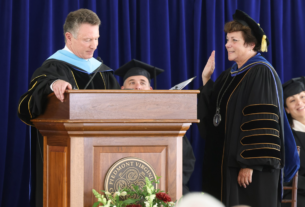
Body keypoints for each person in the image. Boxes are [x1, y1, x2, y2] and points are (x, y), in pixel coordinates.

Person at [17, 9, 120, 206]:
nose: (94, 46)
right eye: (87, 40)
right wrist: (50, 85)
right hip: (65, 161)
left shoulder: (102, 71)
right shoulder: (52, 69)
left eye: (96, 39)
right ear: (69, 37)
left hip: (104, 158)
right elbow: (25, 108)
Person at [197, 10, 299, 206]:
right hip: (227, 165)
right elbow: (215, 115)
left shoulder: (261, 72)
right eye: (227, 39)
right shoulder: (231, 74)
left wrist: (250, 164)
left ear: (251, 44)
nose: (227, 44)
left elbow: (261, 122)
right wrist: (206, 79)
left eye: (234, 40)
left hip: (248, 171)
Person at [114, 59, 196, 194]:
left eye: (142, 83)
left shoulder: (166, 118)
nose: (137, 87)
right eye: (132, 82)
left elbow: (186, 158)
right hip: (123, 187)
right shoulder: (112, 119)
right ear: (122, 89)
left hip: (163, 186)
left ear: (150, 89)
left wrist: (174, 184)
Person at [282, 77, 305, 207]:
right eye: (292, 100)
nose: (300, 103)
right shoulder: (287, 138)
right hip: (298, 195)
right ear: (287, 109)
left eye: (302, 96)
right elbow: (286, 175)